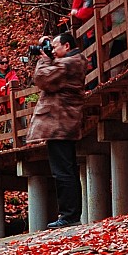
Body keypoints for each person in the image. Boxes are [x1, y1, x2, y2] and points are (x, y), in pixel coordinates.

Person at [28, 34, 88, 226]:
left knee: (63, 172)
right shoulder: (71, 61)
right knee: (66, 169)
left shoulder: (70, 63)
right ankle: (70, 215)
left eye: (55, 46)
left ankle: (69, 216)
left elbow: (42, 79)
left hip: (61, 124)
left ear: (67, 45)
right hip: (62, 123)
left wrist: (44, 60)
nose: (52, 51)